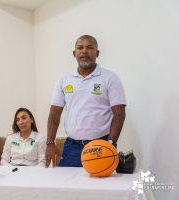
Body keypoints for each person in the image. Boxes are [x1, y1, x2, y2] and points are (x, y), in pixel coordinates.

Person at [45, 35, 126, 168]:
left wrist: (111, 143)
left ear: (97, 53)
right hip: (71, 148)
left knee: (99, 188)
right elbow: (54, 113)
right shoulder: (64, 79)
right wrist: (50, 143)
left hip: (101, 146)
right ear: (74, 53)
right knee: (66, 187)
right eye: (80, 48)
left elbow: (119, 113)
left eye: (90, 47)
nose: (84, 51)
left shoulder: (110, 78)